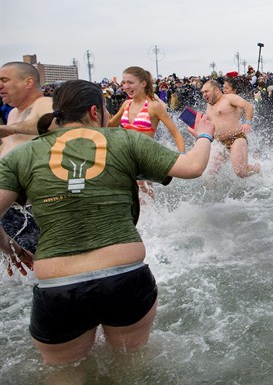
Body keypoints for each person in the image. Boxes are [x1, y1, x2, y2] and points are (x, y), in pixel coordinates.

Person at [0, 79, 215, 366]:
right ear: (94, 111)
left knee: (63, 374)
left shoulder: (22, 155)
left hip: (58, 286)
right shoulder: (125, 140)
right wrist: (204, 135)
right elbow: (192, 167)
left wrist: (9, 248)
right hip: (125, 278)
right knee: (130, 369)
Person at [0, 62, 53, 253]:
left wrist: (7, 129)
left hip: (31, 208)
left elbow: (52, 124)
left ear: (28, 82)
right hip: (11, 208)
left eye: (4, 80)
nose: (0, 86)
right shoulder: (14, 113)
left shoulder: (44, 103)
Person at [109, 66, 187, 198]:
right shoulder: (126, 104)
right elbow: (109, 126)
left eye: (130, 82)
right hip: (127, 158)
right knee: (133, 197)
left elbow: (175, 132)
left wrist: (182, 156)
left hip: (145, 158)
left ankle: (157, 218)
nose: (126, 86)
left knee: (145, 196)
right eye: (124, 83)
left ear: (143, 83)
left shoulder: (154, 106)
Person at [200, 79, 261, 177]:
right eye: (202, 92)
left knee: (241, 172)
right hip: (220, 143)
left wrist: (247, 123)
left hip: (236, 138)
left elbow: (249, 107)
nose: (204, 94)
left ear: (216, 90)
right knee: (210, 173)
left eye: (206, 91)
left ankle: (257, 168)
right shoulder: (208, 106)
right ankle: (214, 192)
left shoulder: (229, 98)